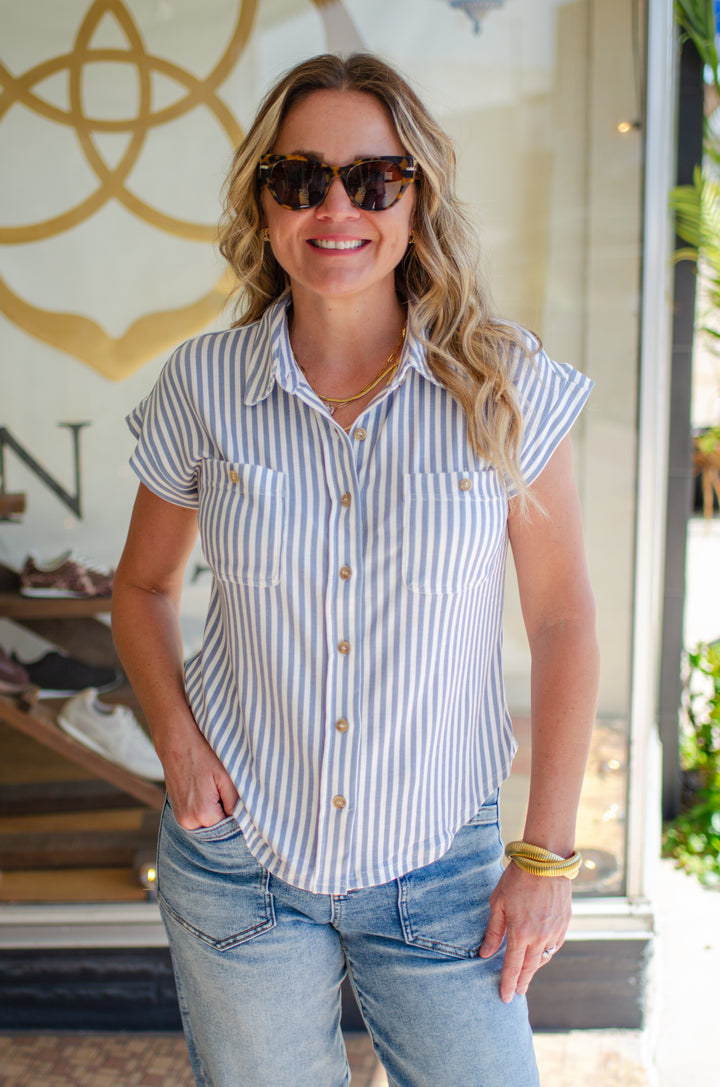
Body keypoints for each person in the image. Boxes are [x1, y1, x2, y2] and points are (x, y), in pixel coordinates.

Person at [112, 52, 599, 1087]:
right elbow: (141, 588)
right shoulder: (204, 384)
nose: (335, 208)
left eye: (374, 179)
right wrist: (177, 746)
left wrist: (546, 856)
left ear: (418, 197)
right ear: (265, 203)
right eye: (300, 178)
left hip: (445, 868)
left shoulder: (503, 386)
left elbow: (563, 619)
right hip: (241, 861)